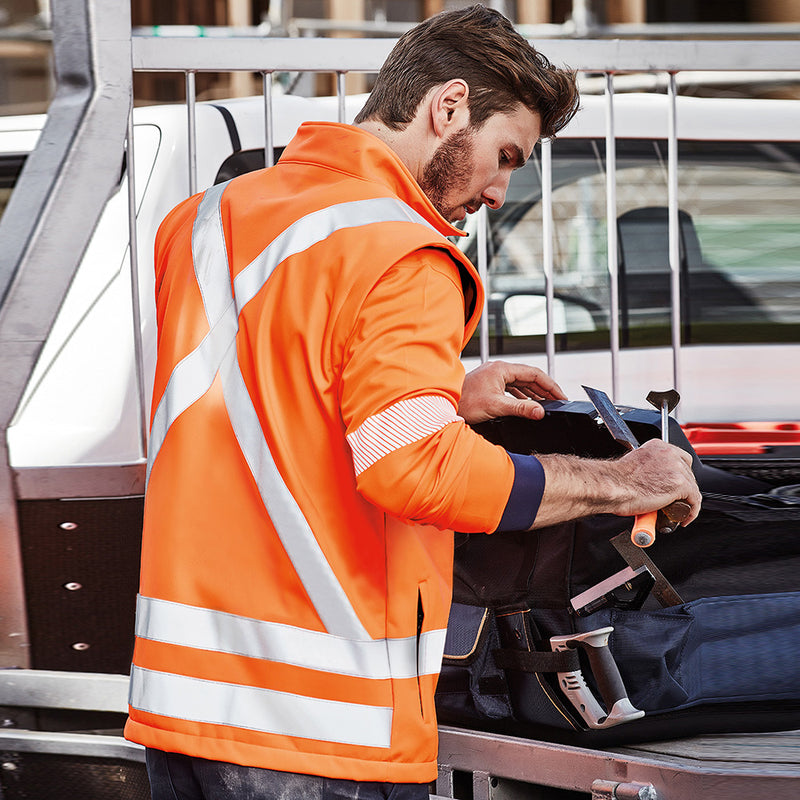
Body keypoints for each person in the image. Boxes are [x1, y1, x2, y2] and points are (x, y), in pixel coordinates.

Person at [125, 5, 701, 799]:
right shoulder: (400, 248)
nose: (500, 191)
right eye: (506, 156)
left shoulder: (204, 221)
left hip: (180, 703)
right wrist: (624, 483)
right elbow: (418, 471)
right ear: (448, 106)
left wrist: (448, 400)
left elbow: (265, 395)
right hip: (319, 729)